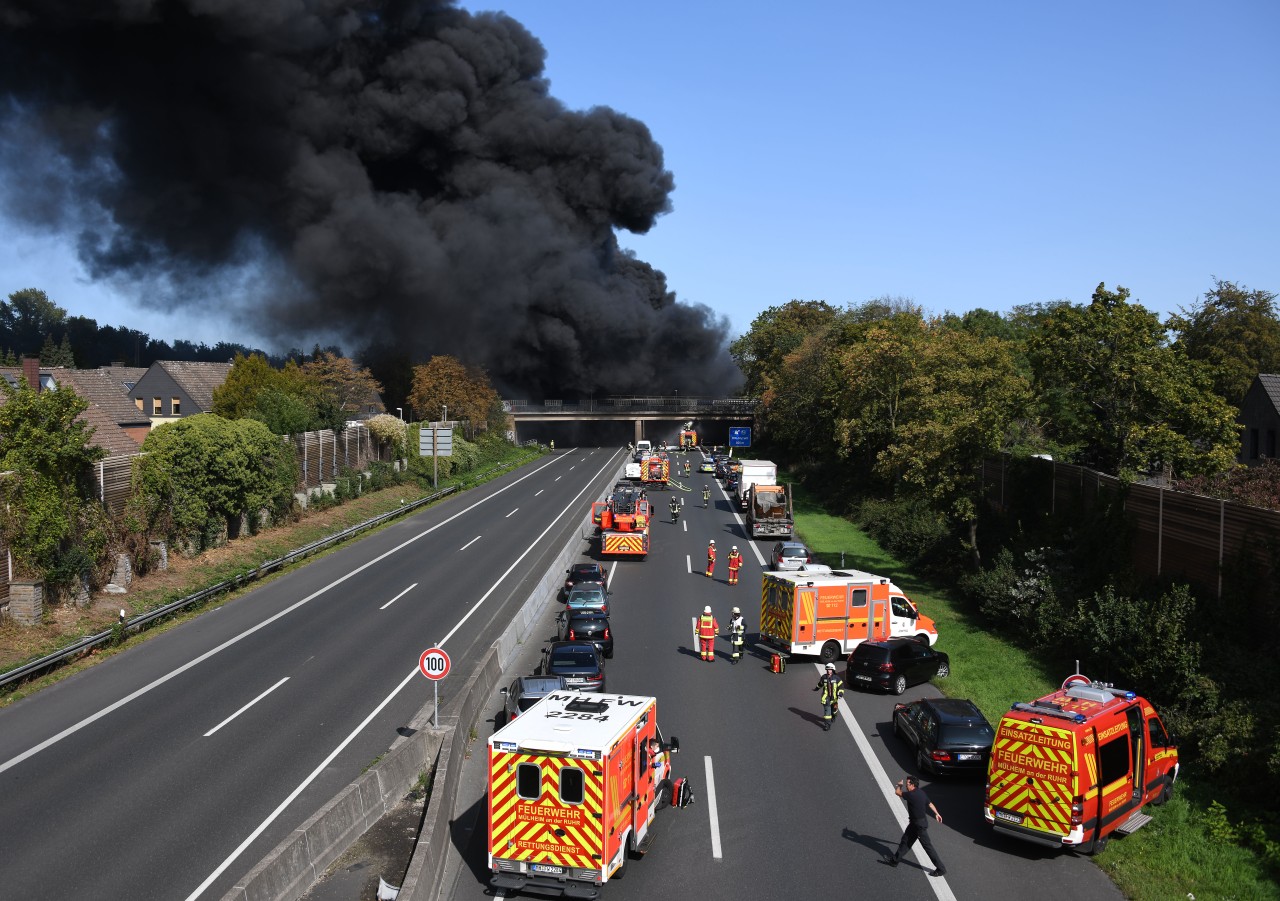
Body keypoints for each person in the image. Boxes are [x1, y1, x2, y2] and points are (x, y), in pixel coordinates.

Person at [884, 776, 946, 877]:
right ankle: (894, 861)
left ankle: (941, 868)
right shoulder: (921, 793)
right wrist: (937, 813)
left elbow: (897, 792)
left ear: (912, 785)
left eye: (907, 784)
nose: (906, 786)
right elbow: (930, 804)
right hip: (915, 824)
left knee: (927, 847)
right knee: (905, 840)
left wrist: (899, 785)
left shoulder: (910, 795)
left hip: (918, 826)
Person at [814, 662, 844, 731]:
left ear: (833, 670)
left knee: (834, 710)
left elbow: (841, 687)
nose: (828, 671)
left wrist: (840, 694)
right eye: (827, 669)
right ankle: (827, 725)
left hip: (834, 699)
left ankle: (834, 716)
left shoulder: (837, 678)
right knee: (827, 712)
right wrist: (816, 688)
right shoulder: (824, 677)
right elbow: (820, 684)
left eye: (830, 669)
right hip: (826, 698)